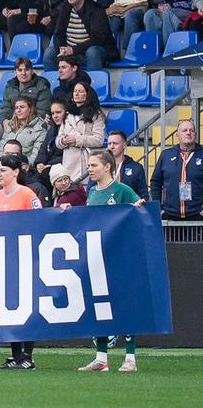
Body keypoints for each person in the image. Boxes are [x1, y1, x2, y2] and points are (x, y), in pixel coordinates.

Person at [79, 150, 146, 372]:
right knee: (100, 305)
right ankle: (101, 358)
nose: (90, 169)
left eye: (94, 165)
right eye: (89, 165)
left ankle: (130, 358)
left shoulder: (122, 190)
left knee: (123, 305)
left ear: (107, 167)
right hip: (99, 256)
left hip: (120, 256)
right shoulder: (92, 192)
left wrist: (138, 208)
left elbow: (141, 212)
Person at [0, 153, 44, 368]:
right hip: (5, 257)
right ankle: (16, 354)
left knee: (26, 306)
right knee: (9, 307)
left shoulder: (27, 194)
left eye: (3, 170)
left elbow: (41, 222)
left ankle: (27, 355)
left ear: (16, 172)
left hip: (25, 257)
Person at [151, 119, 202, 221]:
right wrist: (158, 208)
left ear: (195, 134)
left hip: (198, 216)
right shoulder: (166, 155)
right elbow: (155, 183)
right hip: (170, 215)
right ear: (177, 135)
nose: (188, 133)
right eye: (184, 130)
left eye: (191, 130)